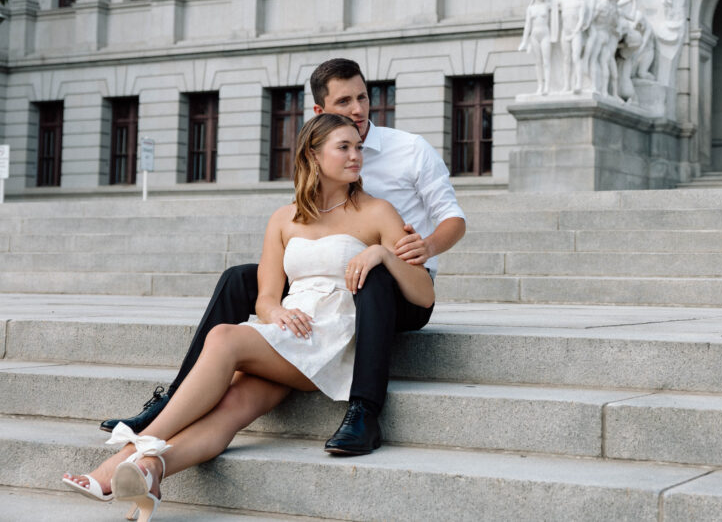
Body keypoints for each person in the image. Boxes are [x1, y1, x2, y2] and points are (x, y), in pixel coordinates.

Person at [63, 113, 435, 521]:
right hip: (289, 329)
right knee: (233, 406)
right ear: (313, 155)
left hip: (331, 335)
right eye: (343, 147)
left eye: (358, 147)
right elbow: (266, 297)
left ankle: (119, 461)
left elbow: (423, 293)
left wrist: (381, 253)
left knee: (224, 338)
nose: (356, 156)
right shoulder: (283, 218)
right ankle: (153, 470)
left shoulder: (378, 211)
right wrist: (276, 312)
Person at [98, 58, 466, 456]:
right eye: (345, 102)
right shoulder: (316, 171)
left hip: (399, 283)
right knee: (241, 277)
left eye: (363, 97)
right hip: (329, 281)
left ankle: (364, 410)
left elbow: (453, 218)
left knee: (371, 273)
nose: (358, 110)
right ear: (319, 114)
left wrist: (424, 247)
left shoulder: (409, 149)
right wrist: (274, 308)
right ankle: (176, 396)